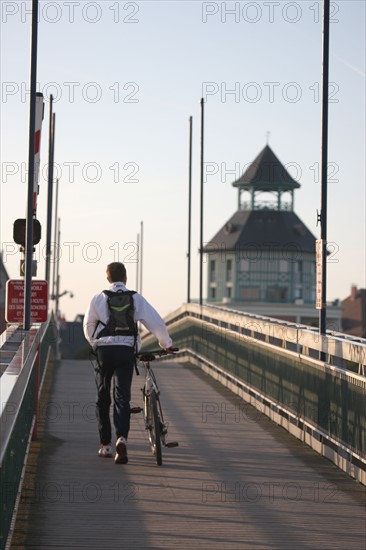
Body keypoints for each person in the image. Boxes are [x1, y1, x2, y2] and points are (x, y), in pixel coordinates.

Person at [83, 262, 173, 464]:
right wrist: (166, 343)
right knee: (122, 396)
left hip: (104, 352)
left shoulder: (98, 298)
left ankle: (105, 445)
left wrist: (96, 343)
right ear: (125, 278)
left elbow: (88, 327)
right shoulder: (136, 298)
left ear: (107, 278)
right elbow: (155, 322)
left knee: (102, 397)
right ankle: (121, 439)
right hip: (126, 351)